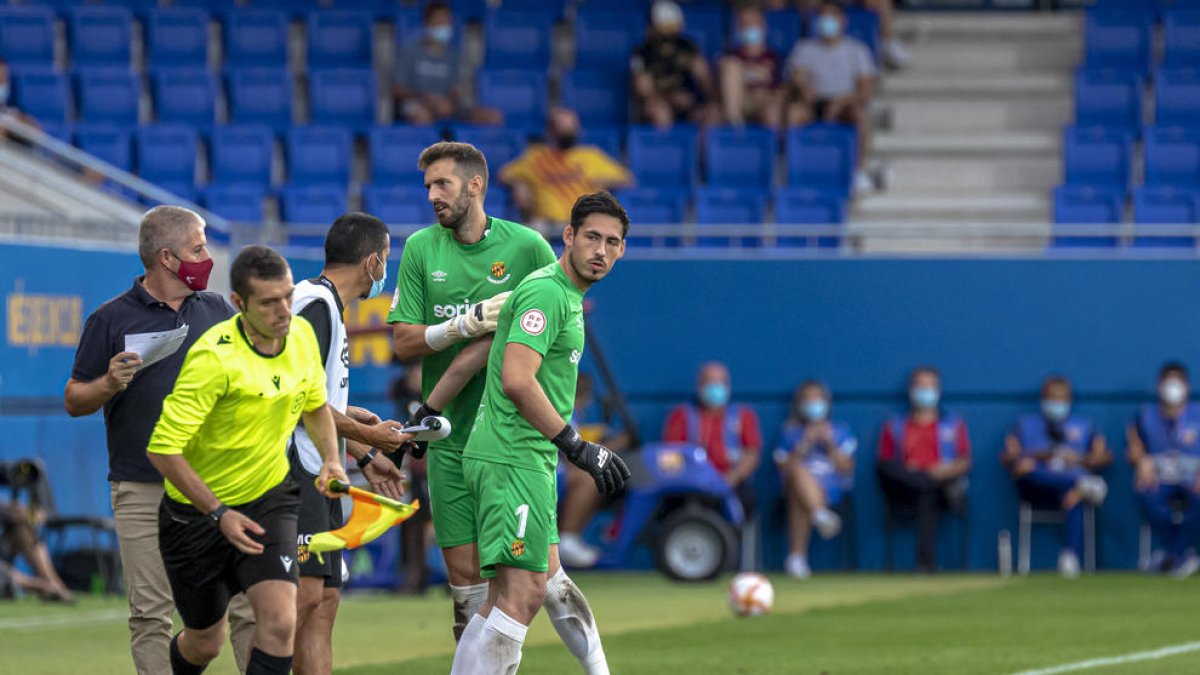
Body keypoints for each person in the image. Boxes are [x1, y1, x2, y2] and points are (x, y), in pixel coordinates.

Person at [146, 245, 356, 675]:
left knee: (280, 621)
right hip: (197, 516)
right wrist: (219, 512)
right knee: (206, 642)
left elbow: (315, 406)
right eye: (269, 302)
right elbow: (162, 449)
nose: (284, 311)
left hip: (268, 499)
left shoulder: (299, 338)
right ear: (240, 304)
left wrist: (333, 460)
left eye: (286, 296)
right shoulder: (213, 358)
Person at [64, 206, 255, 674]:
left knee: (249, 606)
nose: (207, 257)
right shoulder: (109, 319)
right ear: (167, 258)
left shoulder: (216, 310)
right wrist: (108, 383)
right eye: (198, 247)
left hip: (218, 482)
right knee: (151, 613)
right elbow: (74, 398)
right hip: (142, 486)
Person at [450, 191, 632, 675]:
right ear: (568, 236)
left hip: (520, 459)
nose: (601, 250)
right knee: (524, 594)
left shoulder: (565, 295)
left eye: (612, 242)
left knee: (541, 586)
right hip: (512, 457)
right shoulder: (547, 292)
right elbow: (516, 379)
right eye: (591, 236)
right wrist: (575, 445)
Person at [386, 140, 557, 643]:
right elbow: (403, 342)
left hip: (511, 441)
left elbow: (558, 329)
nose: (433, 195)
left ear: (475, 185)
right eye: (428, 187)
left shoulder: (529, 248)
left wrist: (501, 341)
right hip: (449, 438)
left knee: (532, 582)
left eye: (442, 184)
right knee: (465, 586)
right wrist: (466, 324)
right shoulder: (420, 248)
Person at [288, 212, 408, 675]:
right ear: (373, 261)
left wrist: (366, 453)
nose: (385, 271)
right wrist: (369, 435)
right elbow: (299, 401)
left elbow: (319, 401)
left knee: (325, 601)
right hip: (296, 473)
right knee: (300, 603)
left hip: (322, 472)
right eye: (386, 260)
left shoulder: (326, 305)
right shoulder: (314, 303)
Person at [1001, 375, 1111, 577]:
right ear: (1043, 399)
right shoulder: (1024, 425)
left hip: (1068, 490)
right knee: (1028, 468)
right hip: (1035, 486)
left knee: (1073, 495)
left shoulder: (1084, 425)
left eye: (1062, 399)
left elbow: (1104, 456)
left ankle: (1069, 557)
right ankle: (1084, 485)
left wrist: (1079, 459)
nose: (1057, 404)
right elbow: (1009, 456)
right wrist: (1041, 455)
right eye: (1052, 398)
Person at [876, 366, 971, 573]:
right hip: (903, 487)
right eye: (921, 386)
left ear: (938, 390)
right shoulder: (894, 425)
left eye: (930, 386)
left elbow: (965, 461)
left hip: (941, 488)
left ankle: (925, 563)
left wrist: (943, 471)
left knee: (927, 492)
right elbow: (885, 462)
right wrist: (914, 472)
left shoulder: (953, 424)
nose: (925, 391)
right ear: (911, 390)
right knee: (888, 469)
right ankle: (925, 563)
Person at [785, 1, 878, 194]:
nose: (827, 22)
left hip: (845, 103)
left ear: (843, 21)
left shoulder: (857, 50)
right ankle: (791, 168)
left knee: (860, 116)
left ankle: (857, 172)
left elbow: (866, 89)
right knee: (794, 113)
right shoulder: (805, 48)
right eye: (823, 18)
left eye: (832, 17)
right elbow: (798, 77)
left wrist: (841, 102)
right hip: (813, 102)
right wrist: (804, 88)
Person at [773, 381, 856, 579]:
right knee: (797, 475)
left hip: (832, 488)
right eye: (807, 399)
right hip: (796, 485)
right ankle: (819, 514)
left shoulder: (841, 431)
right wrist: (804, 444)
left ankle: (796, 557)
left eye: (817, 398)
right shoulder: (790, 433)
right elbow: (783, 467)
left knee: (798, 494)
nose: (813, 403)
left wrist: (829, 443)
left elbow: (846, 467)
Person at [500, 107, 632, 230]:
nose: (569, 132)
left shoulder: (590, 155)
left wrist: (605, 180)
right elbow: (504, 174)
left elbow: (626, 179)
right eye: (563, 128)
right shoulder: (536, 157)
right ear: (550, 130)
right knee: (531, 234)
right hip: (547, 224)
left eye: (572, 128)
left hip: (584, 222)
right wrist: (519, 184)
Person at [662, 362, 763, 519]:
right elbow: (669, 457)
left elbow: (752, 454)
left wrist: (732, 476)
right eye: (710, 382)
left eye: (720, 382)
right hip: (690, 485)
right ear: (699, 386)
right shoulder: (681, 416)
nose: (716, 388)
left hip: (731, 483)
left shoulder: (743, 416)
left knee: (744, 500)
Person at [1127, 362, 1200, 577]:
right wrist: (1142, 461)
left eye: (1178, 381)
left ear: (1187, 386)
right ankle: (1181, 555)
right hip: (1159, 478)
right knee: (1145, 492)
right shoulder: (1145, 416)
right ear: (1159, 386)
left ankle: (1170, 556)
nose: (1173, 387)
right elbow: (1134, 448)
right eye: (1169, 381)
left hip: (1192, 478)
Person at [560, 372, 632, 568]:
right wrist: (614, 445)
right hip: (545, 472)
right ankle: (567, 539)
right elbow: (571, 454)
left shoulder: (574, 415)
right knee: (589, 476)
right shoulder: (563, 409)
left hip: (553, 470)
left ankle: (570, 538)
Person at [393, 1, 500, 126]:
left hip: (446, 105)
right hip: (416, 102)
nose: (443, 27)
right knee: (421, 116)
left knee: (492, 117)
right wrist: (425, 98)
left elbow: (456, 90)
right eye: (438, 23)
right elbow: (397, 89)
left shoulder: (455, 56)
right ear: (427, 23)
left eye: (446, 22)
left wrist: (448, 103)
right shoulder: (409, 52)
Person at [630, 0, 717, 129]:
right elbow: (644, 91)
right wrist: (671, 98)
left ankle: (703, 148)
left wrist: (711, 100)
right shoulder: (641, 53)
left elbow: (703, 78)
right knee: (660, 112)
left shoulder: (687, 47)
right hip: (657, 104)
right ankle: (664, 148)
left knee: (713, 113)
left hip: (687, 102)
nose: (667, 36)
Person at [719, 6, 785, 129]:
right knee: (731, 66)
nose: (749, 27)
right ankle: (735, 125)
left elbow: (782, 89)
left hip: (765, 100)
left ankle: (771, 146)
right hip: (740, 101)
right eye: (744, 24)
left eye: (753, 23)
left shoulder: (775, 58)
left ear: (763, 26)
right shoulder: (730, 57)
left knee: (773, 113)